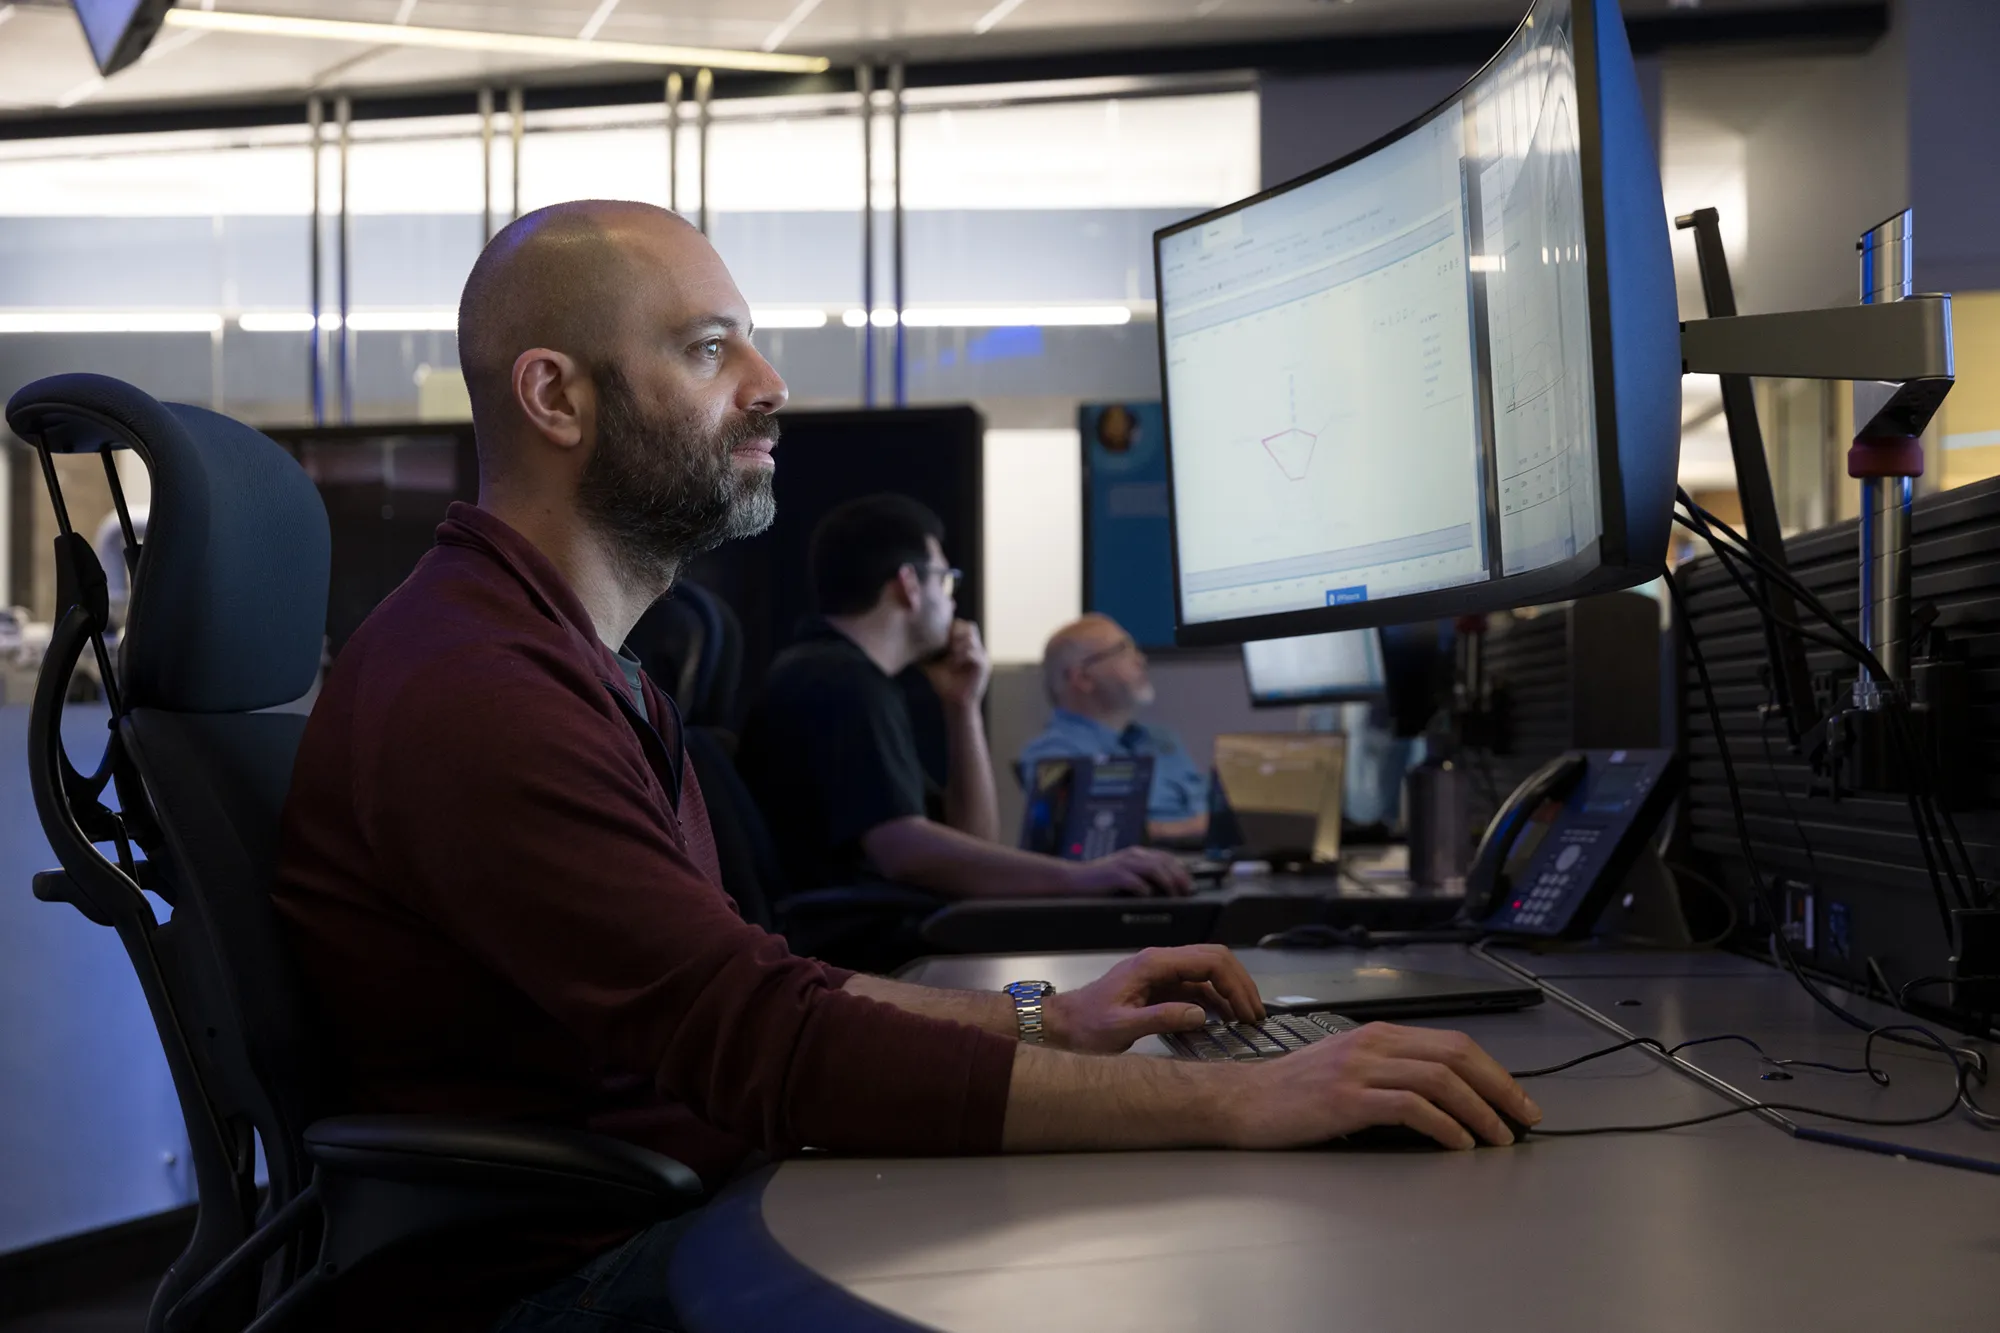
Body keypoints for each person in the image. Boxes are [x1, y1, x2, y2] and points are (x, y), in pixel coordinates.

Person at [273, 200, 1538, 1333]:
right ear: (556, 397)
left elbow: (757, 988)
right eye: (710, 349)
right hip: (559, 1284)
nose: (769, 385)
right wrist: (1239, 1104)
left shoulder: (578, 661)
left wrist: (1055, 1020)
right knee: (1132, 1267)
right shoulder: (476, 689)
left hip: (676, 1205)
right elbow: (762, 1040)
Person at [736, 497, 1194, 900]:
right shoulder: (839, 682)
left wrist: (963, 706)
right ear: (909, 586)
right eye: (946, 581)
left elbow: (973, 839)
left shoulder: (846, 677)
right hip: (859, 957)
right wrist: (1081, 877)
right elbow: (904, 853)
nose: (953, 602)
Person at [1020, 613, 1212, 844]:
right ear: (1082, 678)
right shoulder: (1054, 754)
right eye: (1123, 651)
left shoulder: (1161, 740)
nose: (1140, 660)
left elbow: (1213, 813)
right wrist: (1192, 828)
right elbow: (1095, 836)